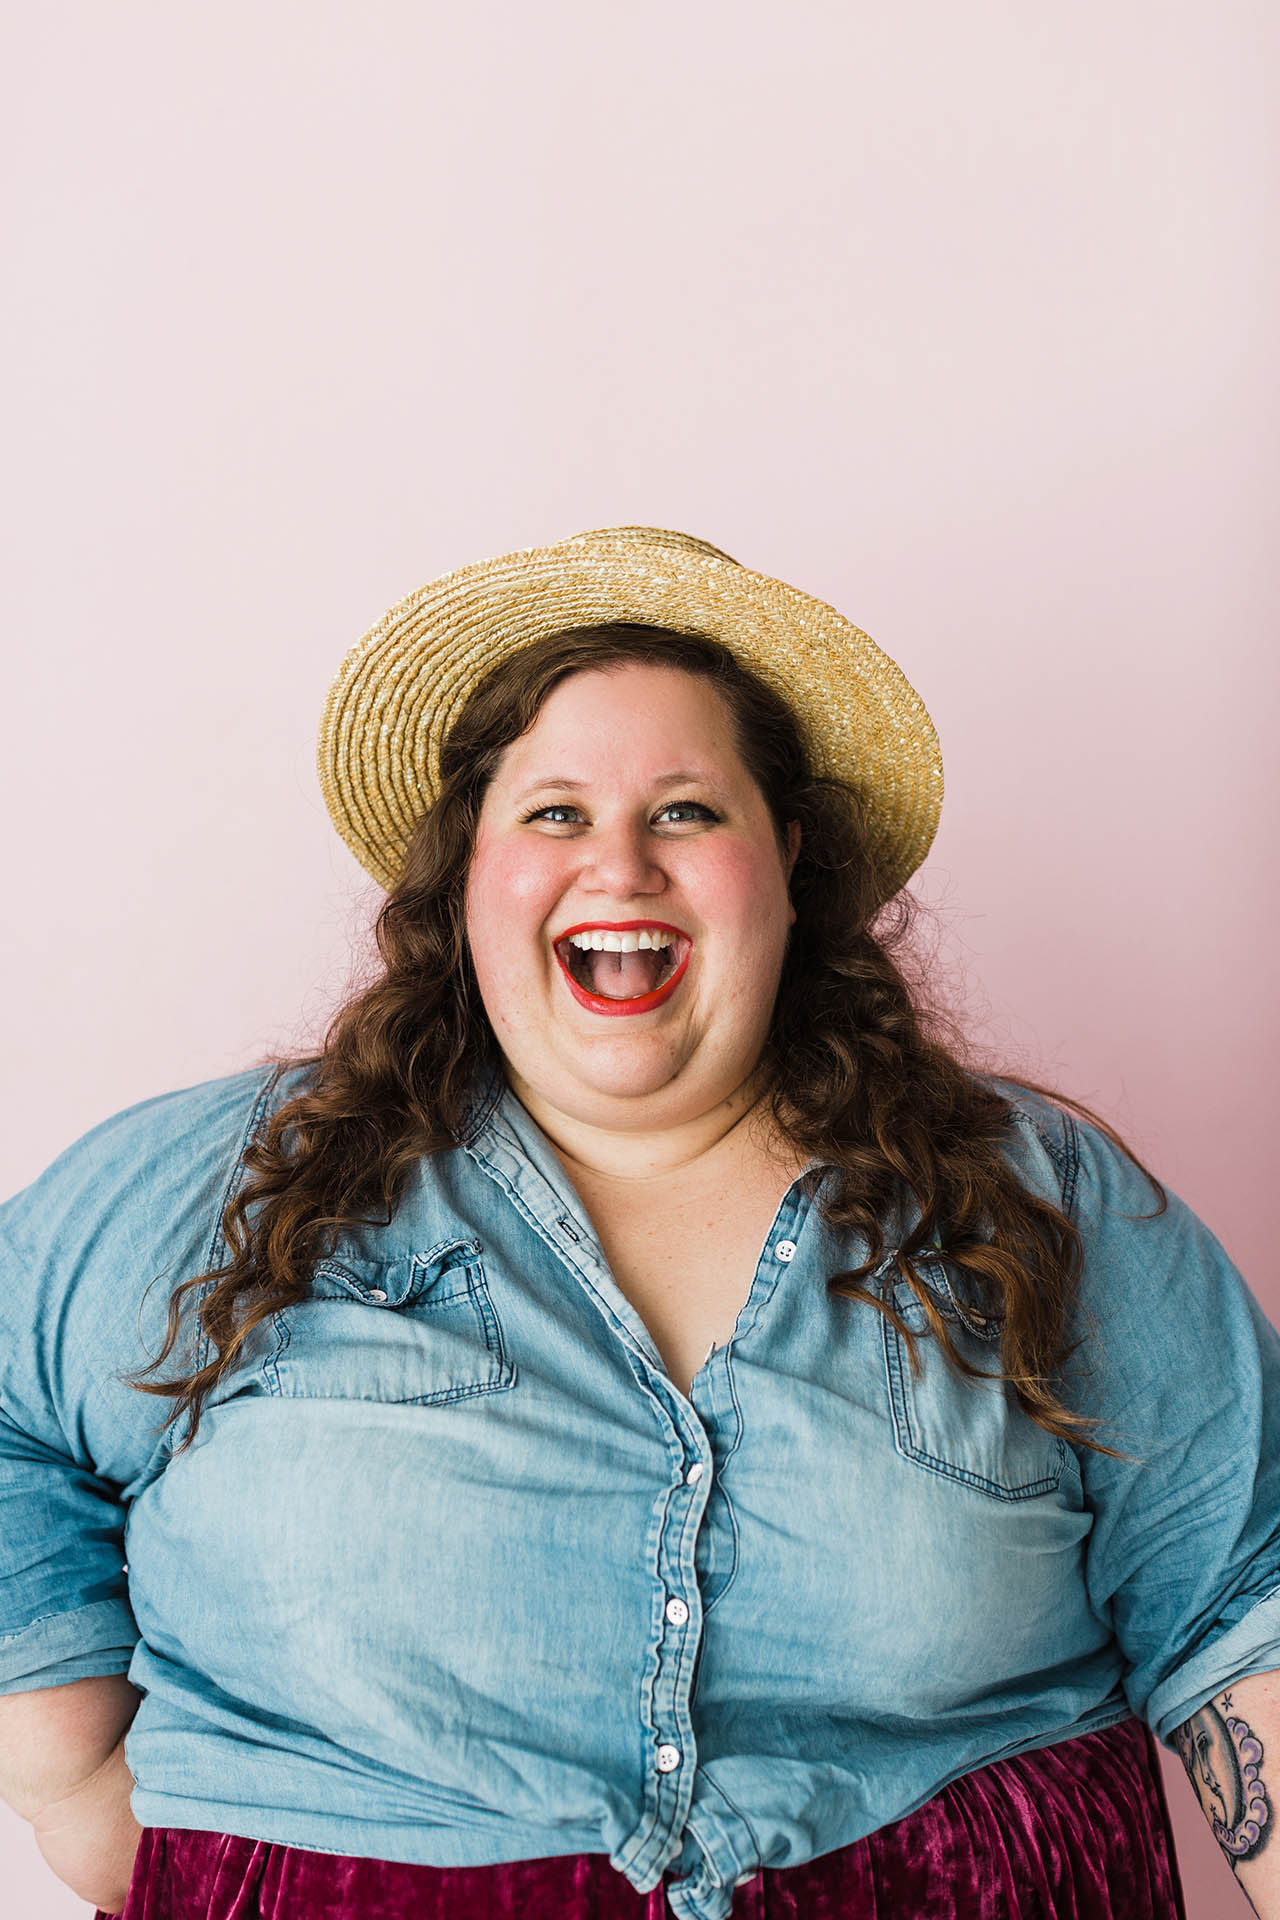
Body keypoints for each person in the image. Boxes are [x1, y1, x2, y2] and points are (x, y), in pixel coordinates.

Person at [0, 525, 1276, 1920]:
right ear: (466, 875)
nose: (621, 865)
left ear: (787, 864)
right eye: (553, 814)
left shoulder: (1035, 1196)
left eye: (685, 812)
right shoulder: (230, 1183)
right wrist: (66, 1777)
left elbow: (1242, 1598)